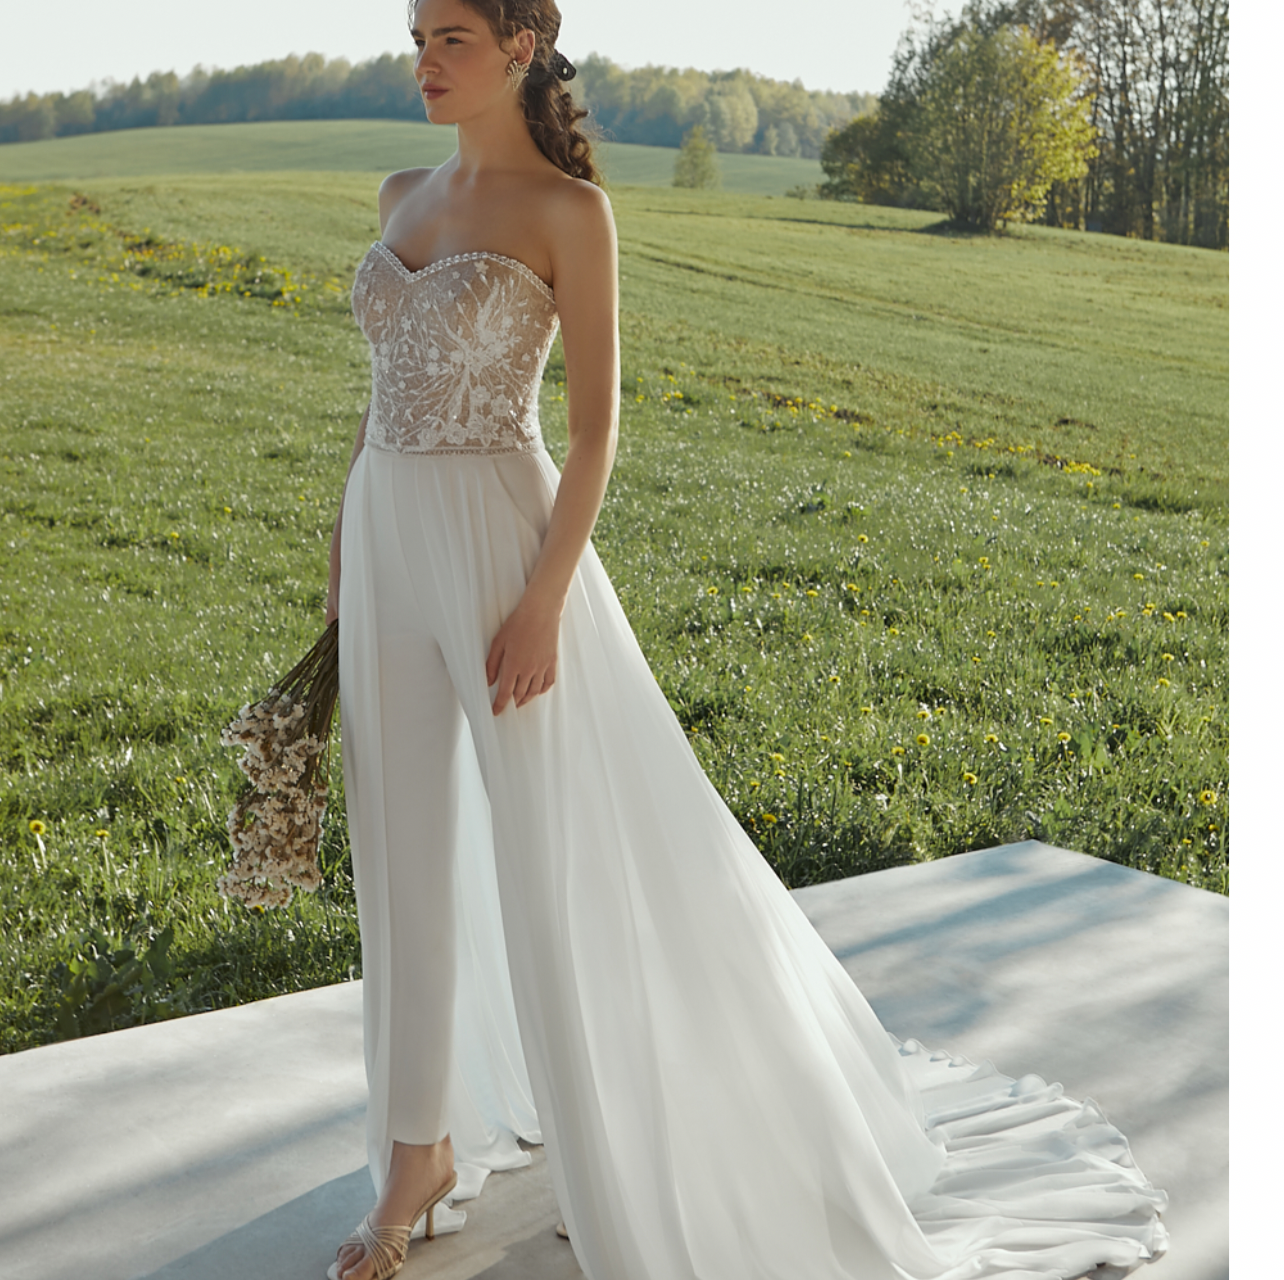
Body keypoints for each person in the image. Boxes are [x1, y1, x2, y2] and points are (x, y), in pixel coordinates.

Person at [324, 3, 1170, 1279]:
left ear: (519, 46)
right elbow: (380, 399)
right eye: (416, 35)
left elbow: (600, 429)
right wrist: (342, 555)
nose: (424, 59)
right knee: (398, 857)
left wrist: (547, 597)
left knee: (559, 863)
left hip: (507, 548)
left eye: (449, 35)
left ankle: (633, 1135)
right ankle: (414, 1156)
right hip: (383, 531)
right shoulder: (398, 192)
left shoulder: (571, 214)